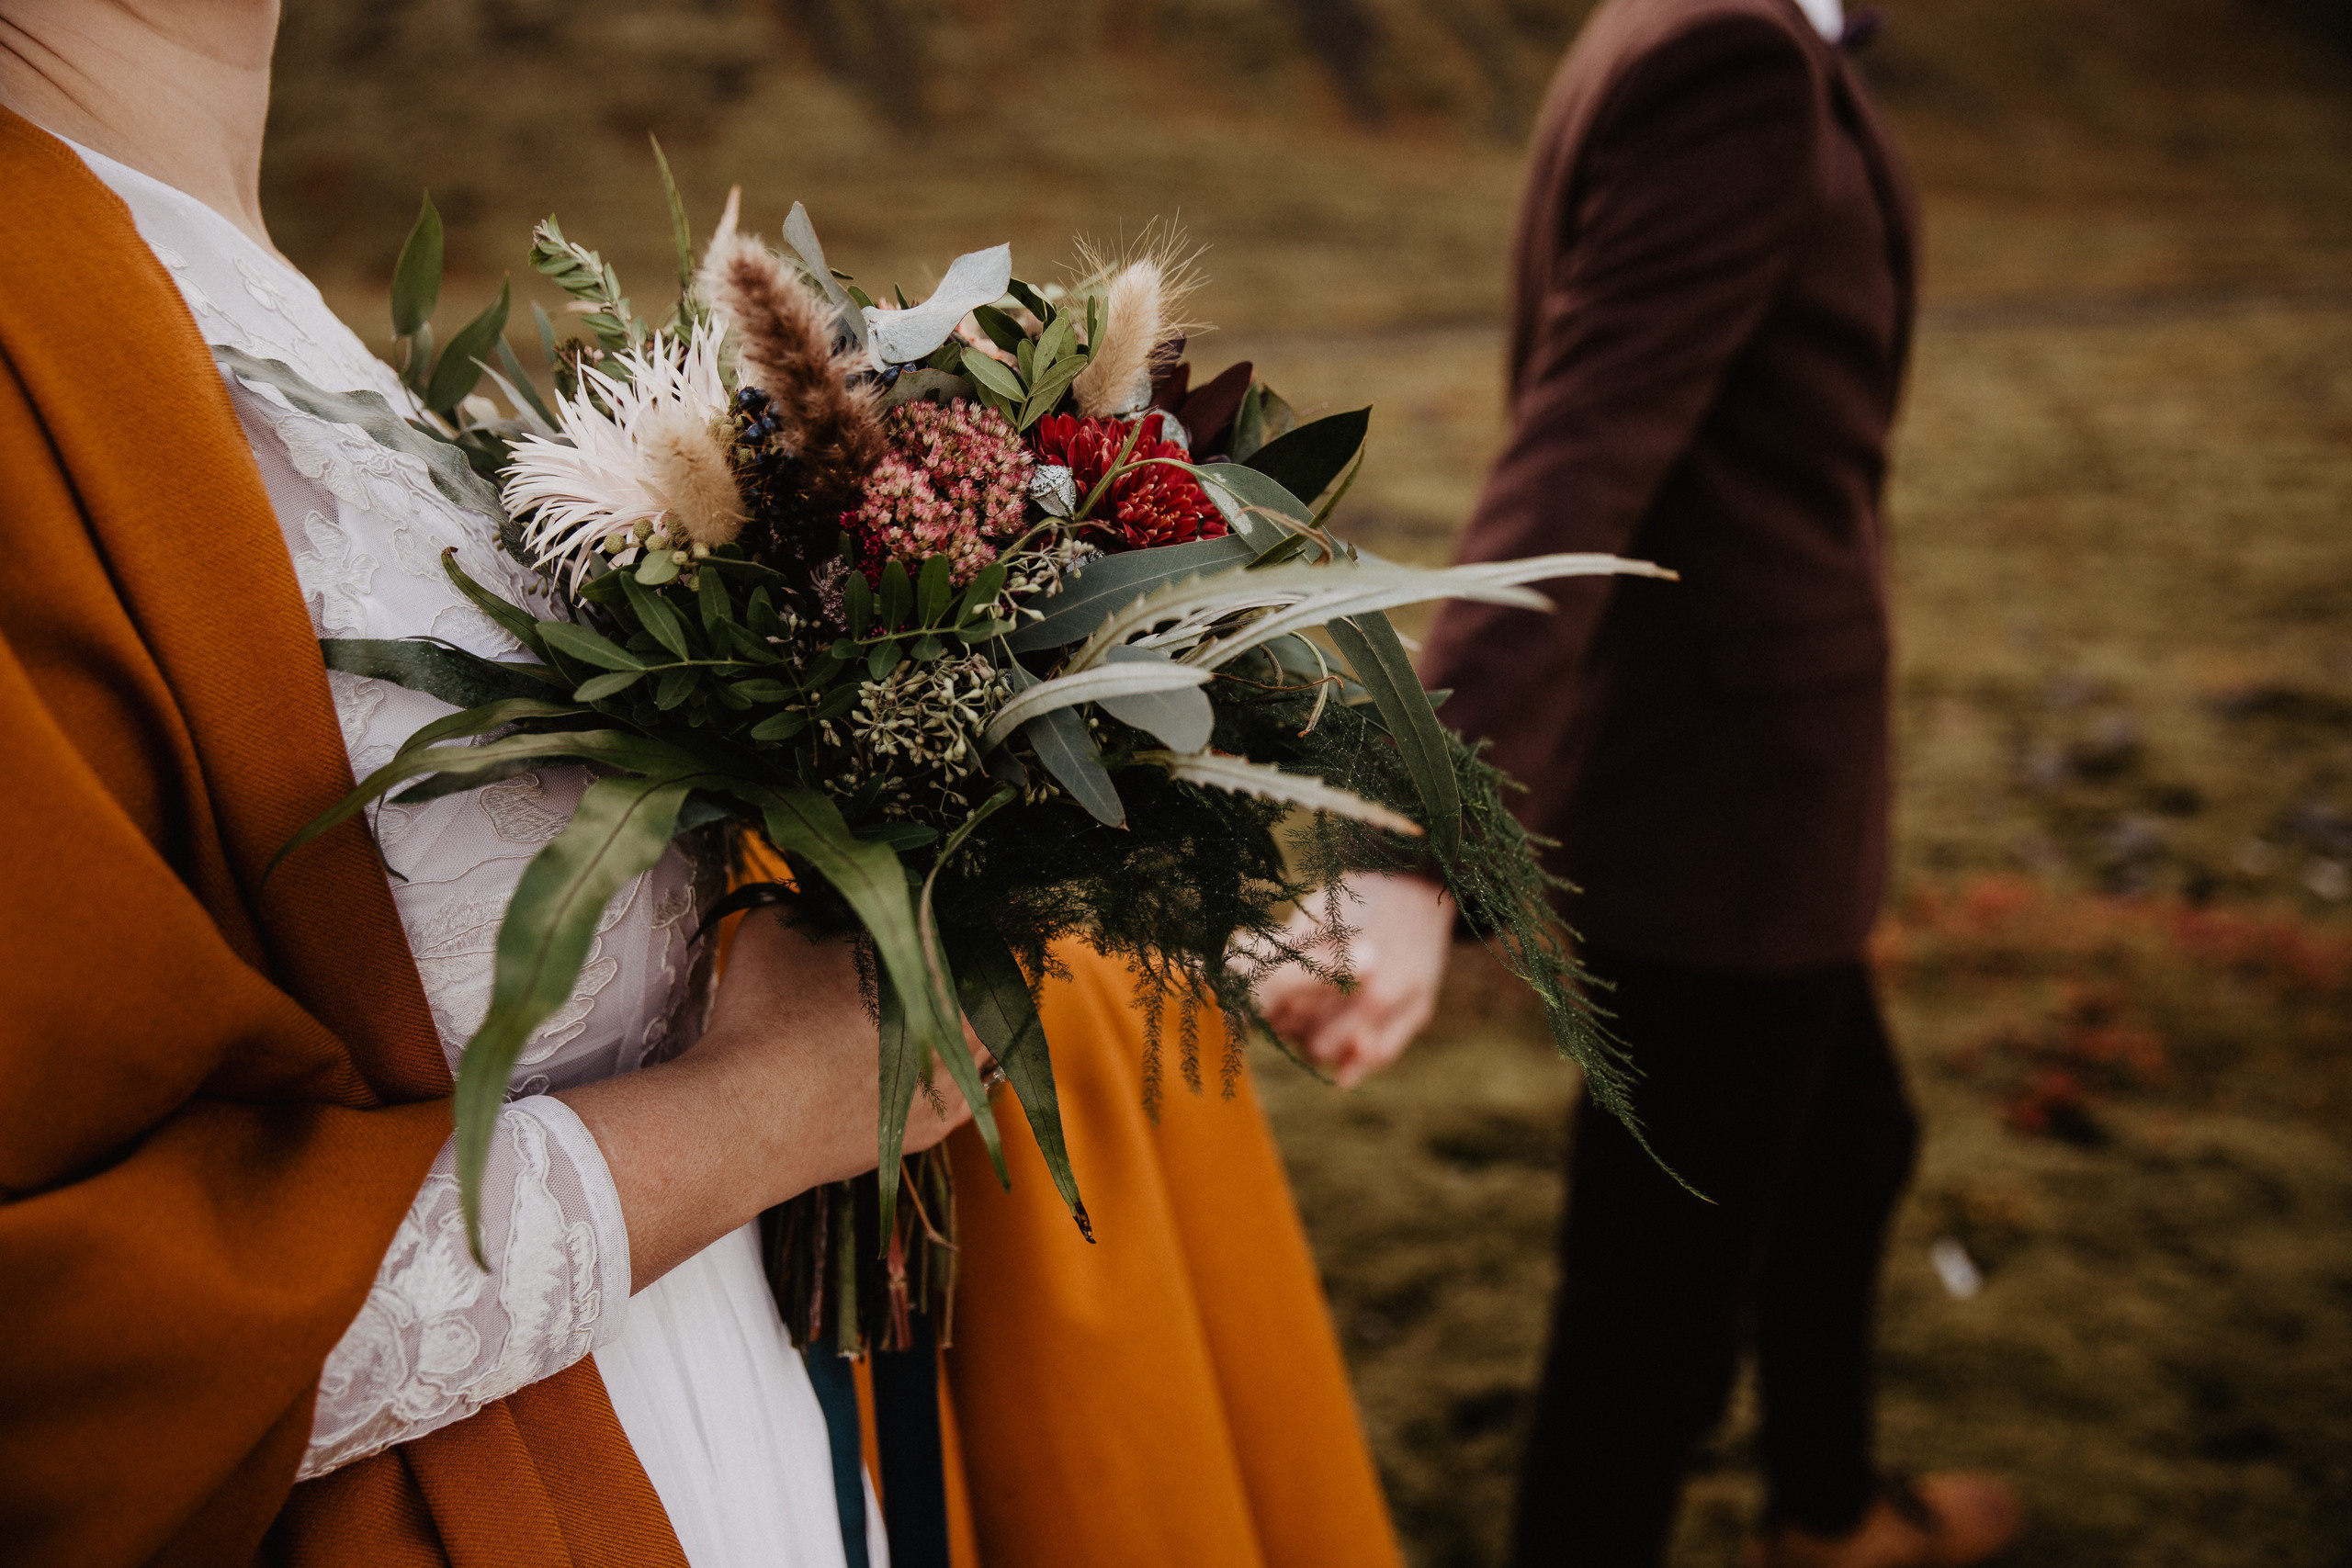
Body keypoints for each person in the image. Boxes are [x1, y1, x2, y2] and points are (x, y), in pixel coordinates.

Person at [0, 4, 1400, 1564]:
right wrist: (758, 1112)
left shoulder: (202, 280)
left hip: (719, 1431)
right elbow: (62, 1358)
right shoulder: (28, 353)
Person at [1261, 1, 2023, 1564]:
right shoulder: (1728, 59)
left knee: (1853, 1144)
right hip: (1724, 809)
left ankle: (1824, 1508)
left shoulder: (1692, 24)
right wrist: (1419, 841)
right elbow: (1578, 454)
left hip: (1749, 782)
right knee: (1649, 1330)